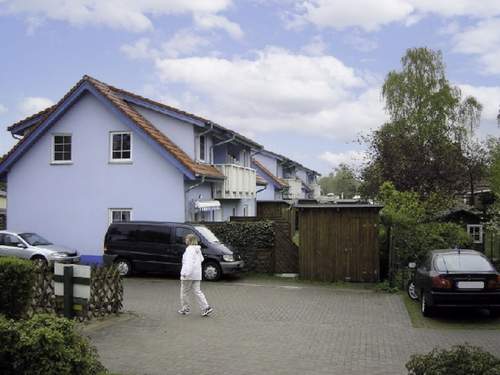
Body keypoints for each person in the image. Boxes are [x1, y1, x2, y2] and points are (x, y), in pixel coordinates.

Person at [178, 233, 213, 317]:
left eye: (186, 239)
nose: (185, 240)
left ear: (190, 240)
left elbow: (189, 263)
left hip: (188, 275)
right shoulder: (197, 249)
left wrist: (185, 274)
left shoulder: (189, 249)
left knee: (184, 292)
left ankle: (185, 309)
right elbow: (201, 259)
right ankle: (206, 307)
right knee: (197, 291)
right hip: (197, 275)